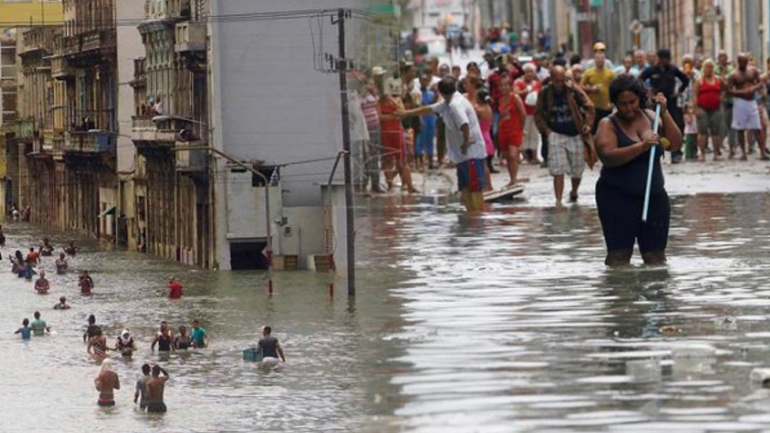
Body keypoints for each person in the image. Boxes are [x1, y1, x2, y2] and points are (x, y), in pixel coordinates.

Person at [594, 76, 683, 266]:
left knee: (656, 257)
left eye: (632, 102)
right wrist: (641, 147)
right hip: (617, 198)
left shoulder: (652, 115)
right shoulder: (607, 124)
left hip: (654, 197)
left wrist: (665, 114)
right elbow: (608, 156)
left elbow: (675, 144)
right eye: (622, 104)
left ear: (639, 99)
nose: (628, 108)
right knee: (619, 256)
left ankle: (657, 293)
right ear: (615, 103)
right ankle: (620, 293)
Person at [400, 77, 489, 212]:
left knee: (474, 188)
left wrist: (466, 141)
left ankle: (477, 217)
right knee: (464, 187)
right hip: (463, 155)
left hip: (471, 152)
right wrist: (406, 113)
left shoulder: (455, 105)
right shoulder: (449, 101)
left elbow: (464, 124)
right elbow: (430, 108)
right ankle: (470, 216)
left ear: (441, 92)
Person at [535, 66, 596, 204]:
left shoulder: (573, 90)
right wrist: (546, 130)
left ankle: (574, 191)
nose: (560, 83)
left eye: (562, 80)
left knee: (577, 168)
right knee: (558, 168)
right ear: (551, 79)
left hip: (575, 133)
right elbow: (538, 114)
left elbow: (589, 106)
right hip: (555, 133)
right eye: (557, 80)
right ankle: (558, 201)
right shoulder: (545, 92)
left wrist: (587, 124)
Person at [640, 49, 690, 163]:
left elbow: (685, 80)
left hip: (671, 101)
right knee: (655, 126)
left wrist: (679, 91)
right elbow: (640, 79)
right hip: (655, 102)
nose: (667, 61)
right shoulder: (651, 70)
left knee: (676, 124)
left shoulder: (673, 69)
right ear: (660, 59)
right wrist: (648, 92)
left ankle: (676, 153)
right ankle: (655, 151)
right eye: (665, 59)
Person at [379, 77, 418, 193]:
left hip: (397, 132)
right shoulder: (379, 101)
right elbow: (380, 117)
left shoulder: (397, 99)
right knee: (388, 159)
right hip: (386, 132)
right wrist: (393, 116)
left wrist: (392, 100)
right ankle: (390, 184)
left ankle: (409, 185)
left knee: (402, 159)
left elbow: (402, 113)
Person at [727, 53, 768, 161]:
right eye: (741, 62)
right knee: (741, 128)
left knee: (757, 127)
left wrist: (753, 89)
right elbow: (729, 90)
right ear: (738, 62)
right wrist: (741, 92)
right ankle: (743, 152)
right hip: (740, 102)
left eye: (745, 62)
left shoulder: (753, 71)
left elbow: (760, 83)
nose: (743, 64)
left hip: (752, 101)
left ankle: (762, 152)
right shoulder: (734, 75)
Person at [694, 59, 724, 161]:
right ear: (704, 68)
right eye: (707, 67)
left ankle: (716, 153)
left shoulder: (718, 79)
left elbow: (724, 89)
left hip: (716, 108)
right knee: (702, 132)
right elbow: (695, 95)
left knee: (715, 132)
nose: (709, 69)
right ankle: (702, 154)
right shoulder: (699, 81)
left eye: (711, 67)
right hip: (702, 108)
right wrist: (696, 109)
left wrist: (721, 98)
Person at [581, 42, 615, 133]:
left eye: (602, 58)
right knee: (593, 130)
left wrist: (612, 103)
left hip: (606, 106)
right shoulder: (588, 72)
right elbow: (581, 87)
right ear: (594, 59)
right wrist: (592, 89)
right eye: (597, 58)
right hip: (593, 107)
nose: (600, 60)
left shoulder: (610, 72)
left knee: (606, 129)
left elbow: (614, 87)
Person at [497, 78, 526, 186]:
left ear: (510, 86)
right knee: (507, 155)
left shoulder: (515, 97)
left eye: (506, 85)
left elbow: (523, 114)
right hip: (503, 129)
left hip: (515, 129)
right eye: (501, 85)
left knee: (513, 155)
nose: (503, 88)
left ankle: (514, 179)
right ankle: (511, 178)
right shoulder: (501, 100)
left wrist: (521, 128)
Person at [514, 63, 542, 164]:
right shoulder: (518, 82)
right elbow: (515, 93)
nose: (529, 74)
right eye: (527, 72)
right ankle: (524, 156)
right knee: (524, 133)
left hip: (534, 112)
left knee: (534, 134)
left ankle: (534, 156)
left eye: (531, 72)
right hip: (523, 112)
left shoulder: (537, 83)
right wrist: (526, 91)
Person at [361, 74, 384, 193]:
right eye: (369, 84)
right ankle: (364, 183)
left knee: (375, 155)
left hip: (375, 126)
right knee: (366, 156)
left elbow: (377, 108)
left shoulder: (374, 95)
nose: (371, 86)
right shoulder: (360, 96)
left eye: (372, 84)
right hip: (366, 128)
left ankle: (375, 183)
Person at [474, 89, 496, 191]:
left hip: (482, 137)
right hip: (487, 135)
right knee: (485, 163)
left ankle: (488, 186)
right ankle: (487, 185)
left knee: (483, 164)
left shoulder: (480, 110)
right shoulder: (488, 108)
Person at [416, 72, 437, 170]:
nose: (424, 82)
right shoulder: (417, 93)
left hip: (430, 118)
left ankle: (430, 161)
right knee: (420, 140)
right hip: (422, 118)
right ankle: (420, 162)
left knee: (430, 140)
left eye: (426, 80)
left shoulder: (431, 93)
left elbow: (433, 105)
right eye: (422, 80)